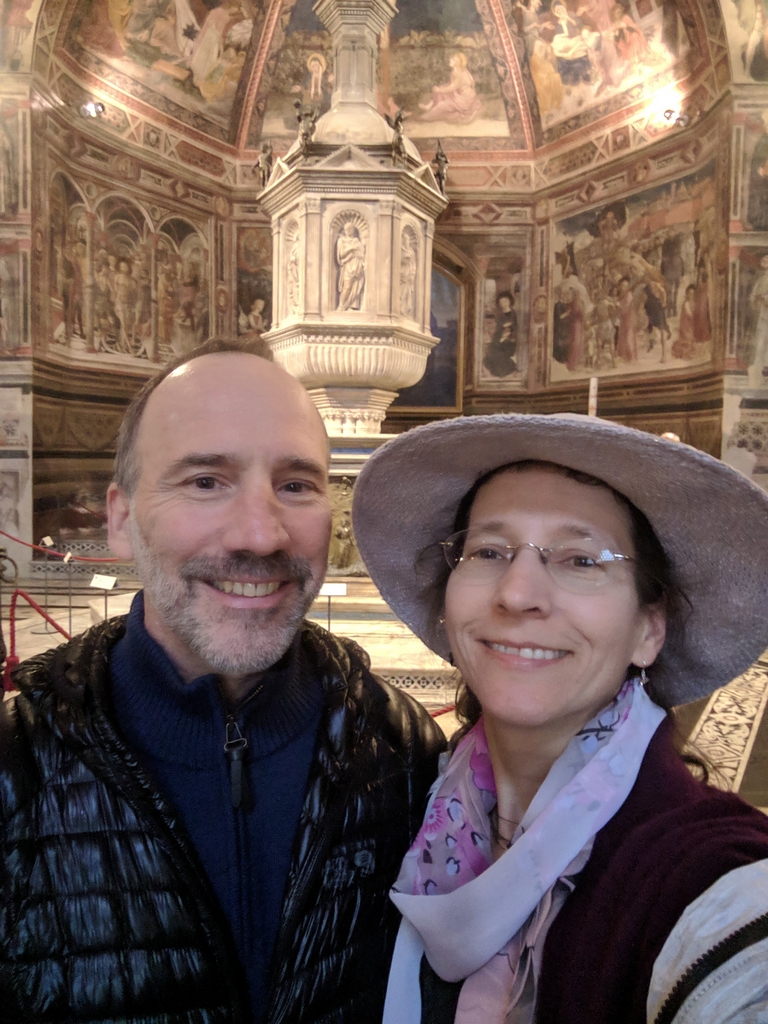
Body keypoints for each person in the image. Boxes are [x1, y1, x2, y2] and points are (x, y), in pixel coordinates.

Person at [0, 338, 445, 1023]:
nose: (261, 536)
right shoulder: (15, 766)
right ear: (120, 519)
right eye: (205, 481)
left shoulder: (402, 749)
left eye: (296, 484)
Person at [352, 412, 768, 1024]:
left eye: (581, 560)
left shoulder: (714, 886)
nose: (518, 594)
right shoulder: (403, 806)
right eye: (488, 551)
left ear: (648, 631)